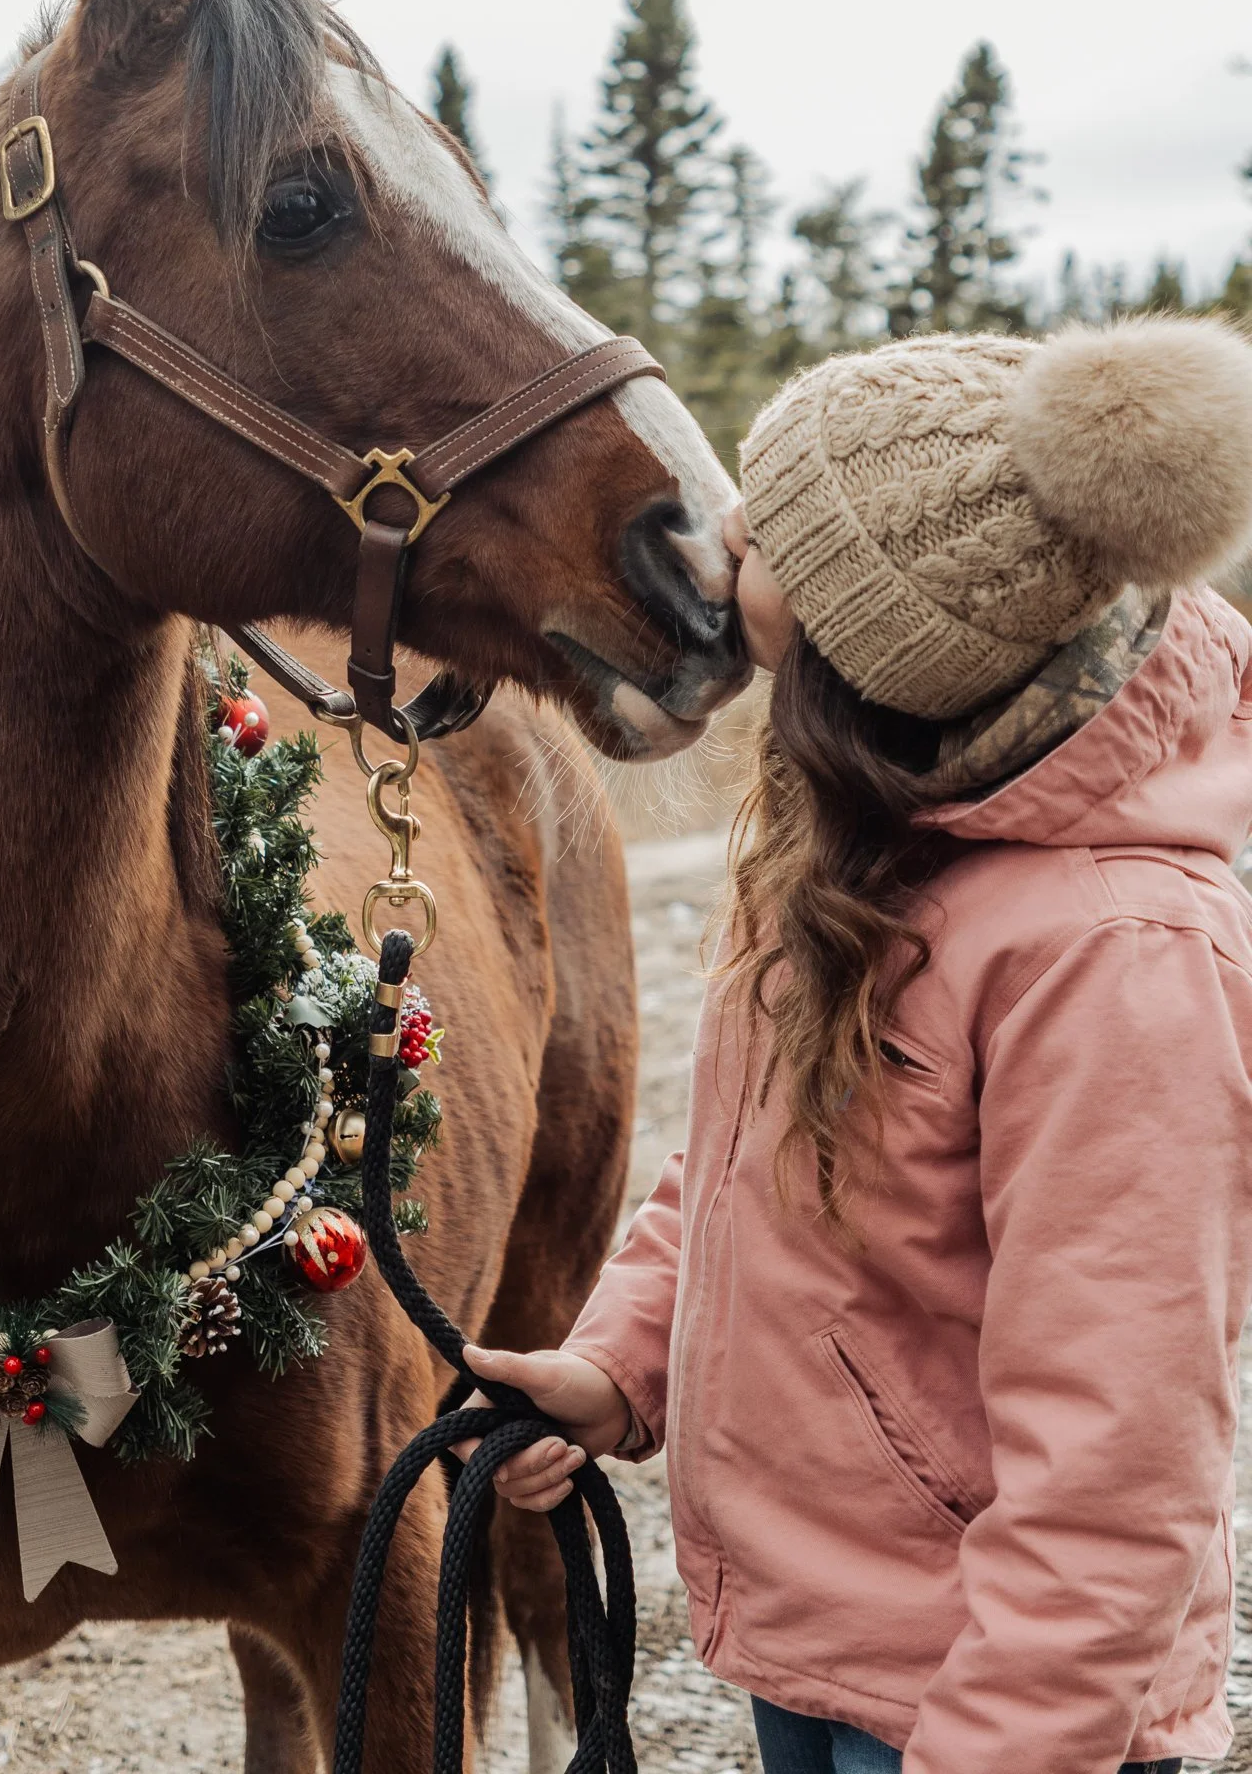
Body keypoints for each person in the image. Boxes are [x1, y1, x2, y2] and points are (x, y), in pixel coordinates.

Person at [466, 318, 1252, 1774]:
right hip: (828, 1645)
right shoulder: (860, 851)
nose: (724, 537)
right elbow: (752, 1177)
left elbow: (1118, 1463)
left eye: (769, 536)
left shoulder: (1115, 957)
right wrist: (621, 1359)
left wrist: (1002, 1744)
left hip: (990, 1704)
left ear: (867, 653)